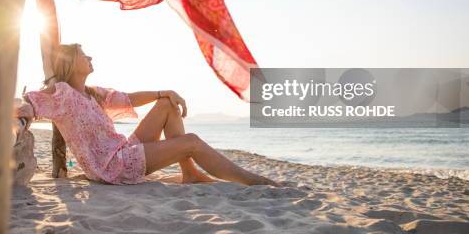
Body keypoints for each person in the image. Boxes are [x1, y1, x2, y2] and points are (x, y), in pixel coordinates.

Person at [14, 43, 278, 186]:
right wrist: (20, 120)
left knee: (166, 105)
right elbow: (31, 102)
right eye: (84, 55)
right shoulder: (62, 94)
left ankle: (189, 173)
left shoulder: (93, 94)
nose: (90, 56)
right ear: (71, 63)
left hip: (122, 150)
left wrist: (165, 91)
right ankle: (249, 179)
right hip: (111, 167)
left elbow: (128, 98)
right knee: (192, 142)